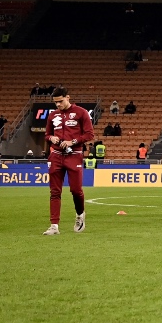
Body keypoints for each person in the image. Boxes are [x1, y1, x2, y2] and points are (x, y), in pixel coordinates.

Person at [42, 87, 94, 236]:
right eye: (55, 102)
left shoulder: (81, 112)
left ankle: (80, 215)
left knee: (76, 190)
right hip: (56, 156)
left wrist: (73, 141)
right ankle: (54, 226)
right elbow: (47, 135)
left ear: (68, 97)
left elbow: (90, 134)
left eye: (60, 101)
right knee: (55, 192)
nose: (58, 105)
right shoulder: (52, 116)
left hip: (74, 155)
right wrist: (51, 138)